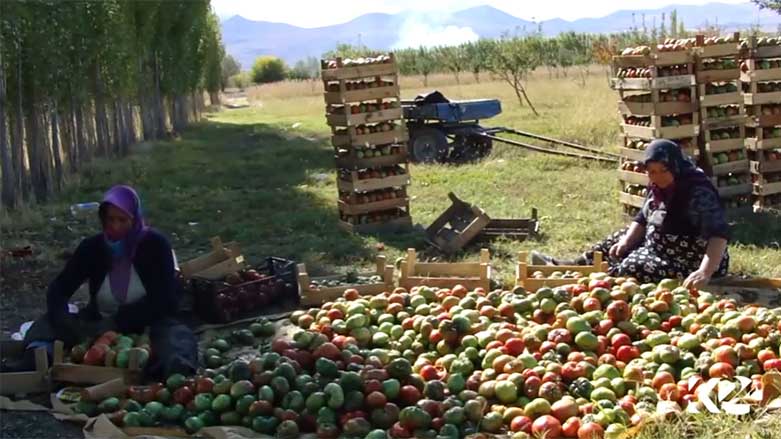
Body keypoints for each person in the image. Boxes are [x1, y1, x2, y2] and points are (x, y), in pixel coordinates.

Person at [8, 185, 197, 378]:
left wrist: (119, 321)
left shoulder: (155, 245)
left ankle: (172, 372)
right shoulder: (92, 248)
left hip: (148, 324)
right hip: (99, 324)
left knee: (176, 336)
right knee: (47, 323)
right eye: (110, 220)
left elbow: (165, 300)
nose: (115, 227)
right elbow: (59, 288)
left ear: (135, 219)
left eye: (123, 220)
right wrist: (63, 318)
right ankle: (32, 361)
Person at [531, 139, 730, 288]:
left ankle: (596, 281)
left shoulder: (697, 191)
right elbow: (642, 218)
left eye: (663, 170)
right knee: (614, 242)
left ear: (675, 166)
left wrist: (705, 271)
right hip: (658, 244)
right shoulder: (657, 187)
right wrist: (627, 241)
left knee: (632, 267)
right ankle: (568, 267)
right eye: (651, 172)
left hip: (688, 258)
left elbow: (718, 234)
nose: (657, 177)